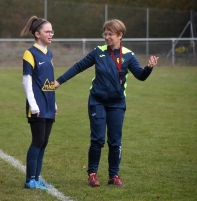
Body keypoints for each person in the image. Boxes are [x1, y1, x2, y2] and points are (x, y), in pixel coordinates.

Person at [55, 19, 159, 187]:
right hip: (97, 101)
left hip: (117, 103)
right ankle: (92, 174)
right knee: (97, 139)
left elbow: (140, 76)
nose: (107, 37)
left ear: (120, 35)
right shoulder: (98, 52)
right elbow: (78, 67)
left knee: (115, 141)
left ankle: (114, 176)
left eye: (110, 34)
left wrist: (148, 68)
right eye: (105, 33)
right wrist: (59, 81)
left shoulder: (128, 55)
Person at [20, 16, 57, 190]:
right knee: (37, 141)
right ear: (37, 34)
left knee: (44, 142)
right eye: (47, 31)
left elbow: (50, 80)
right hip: (37, 106)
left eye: (51, 31)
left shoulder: (49, 53)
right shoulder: (30, 53)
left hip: (49, 104)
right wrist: (33, 105)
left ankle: (37, 178)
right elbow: (27, 81)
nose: (51, 34)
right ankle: (30, 180)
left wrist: (54, 103)